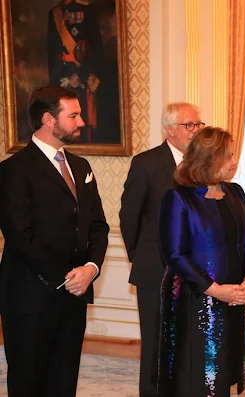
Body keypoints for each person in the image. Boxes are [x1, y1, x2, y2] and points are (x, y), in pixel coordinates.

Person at [0, 85, 109, 396]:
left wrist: (91, 267)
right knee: (29, 381)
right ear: (49, 119)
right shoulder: (13, 170)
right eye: (73, 115)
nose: (81, 121)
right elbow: (21, 236)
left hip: (75, 292)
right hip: (30, 296)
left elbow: (98, 226)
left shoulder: (81, 167)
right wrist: (66, 277)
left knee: (64, 379)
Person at [157, 127, 245, 397]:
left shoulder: (236, 193)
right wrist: (215, 290)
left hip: (233, 297)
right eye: (228, 156)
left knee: (223, 370)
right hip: (194, 301)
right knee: (196, 375)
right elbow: (175, 255)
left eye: (233, 155)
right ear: (208, 159)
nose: (234, 161)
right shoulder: (178, 198)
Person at [120, 102, 203, 397]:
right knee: (156, 346)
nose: (196, 131)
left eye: (198, 125)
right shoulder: (146, 163)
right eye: (189, 125)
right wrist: (140, 256)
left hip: (195, 272)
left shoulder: (202, 164)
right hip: (155, 270)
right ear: (170, 130)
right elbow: (129, 217)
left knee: (189, 344)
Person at [47, 0, 103, 143]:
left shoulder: (87, 10)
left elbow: (97, 49)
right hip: (60, 77)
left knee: (80, 127)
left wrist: (80, 75)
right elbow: (51, 52)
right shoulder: (54, 13)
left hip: (80, 78)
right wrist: (53, 82)